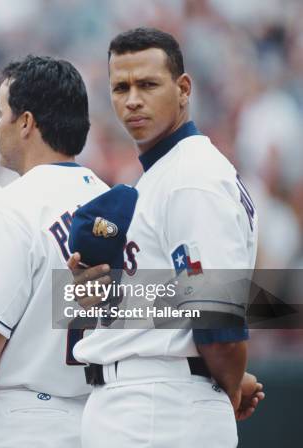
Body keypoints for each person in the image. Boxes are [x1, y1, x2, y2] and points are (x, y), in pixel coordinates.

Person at [69, 27, 263, 447]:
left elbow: (217, 320)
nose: (132, 99)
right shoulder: (166, 172)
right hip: (153, 398)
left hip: (159, 408)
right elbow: (180, 299)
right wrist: (102, 296)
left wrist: (227, 387)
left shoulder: (190, 178)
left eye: (148, 84)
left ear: (183, 89)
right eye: (121, 87)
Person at [0, 56, 109, 448]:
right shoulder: (111, 202)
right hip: (96, 418)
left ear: (26, 122)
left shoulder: (13, 206)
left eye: (1, 114)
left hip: (23, 422)